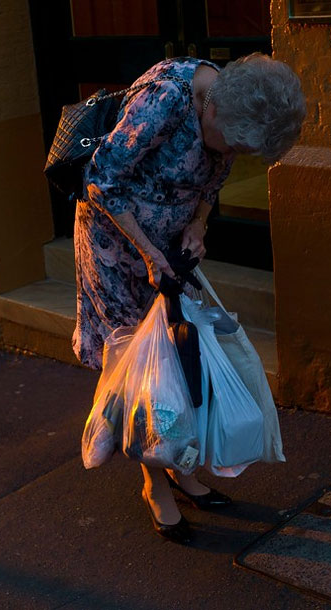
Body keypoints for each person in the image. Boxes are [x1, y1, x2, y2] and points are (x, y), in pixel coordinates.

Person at [73, 53, 306, 544]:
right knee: (142, 377)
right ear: (213, 111)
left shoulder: (231, 108)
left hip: (169, 251)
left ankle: (178, 466)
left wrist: (198, 225)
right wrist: (147, 250)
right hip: (117, 248)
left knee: (177, 362)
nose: (233, 152)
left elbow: (214, 178)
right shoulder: (166, 101)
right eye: (233, 142)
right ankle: (153, 483)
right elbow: (101, 179)